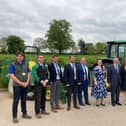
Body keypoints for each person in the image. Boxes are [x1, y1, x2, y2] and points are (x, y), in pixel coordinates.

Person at [9, 51, 32, 123]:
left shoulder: (25, 63)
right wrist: (21, 83)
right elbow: (12, 75)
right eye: (19, 56)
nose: (20, 57)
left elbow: (29, 72)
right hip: (17, 86)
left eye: (22, 56)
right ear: (16, 57)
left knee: (24, 100)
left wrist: (27, 81)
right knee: (16, 101)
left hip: (25, 84)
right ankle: (14, 116)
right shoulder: (13, 64)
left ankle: (24, 113)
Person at [32, 53, 49, 118]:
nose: (41, 59)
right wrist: (41, 81)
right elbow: (35, 75)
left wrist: (46, 80)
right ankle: (37, 112)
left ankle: (43, 110)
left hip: (45, 84)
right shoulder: (35, 66)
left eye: (42, 57)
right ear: (37, 58)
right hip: (38, 84)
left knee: (43, 97)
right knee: (38, 98)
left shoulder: (45, 66)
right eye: (40, 57)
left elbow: (48, 74)